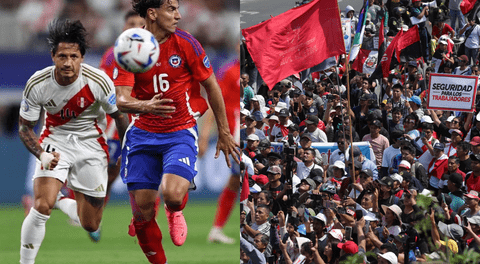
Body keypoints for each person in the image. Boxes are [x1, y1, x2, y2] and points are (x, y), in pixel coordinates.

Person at [113, 1, 240, 263]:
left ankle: (175, 210)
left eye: (177, 8)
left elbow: (211, 86)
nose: (178, 15)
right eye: (171, 8)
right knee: (142, 213)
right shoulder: (130, 46)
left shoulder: (186, 43)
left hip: (179, 131)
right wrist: (145, 106)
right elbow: (121, 99)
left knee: (172, 194)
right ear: (152, 13)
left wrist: (224, 133)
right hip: (141, 134)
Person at [18, 20, 129, 264]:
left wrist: (128, 151)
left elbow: (119, 119)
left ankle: (59, 199)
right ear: (52, 56)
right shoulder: (37, 83)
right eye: (62, 56)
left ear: (82, 57)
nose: (68, 62)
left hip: (92, 145)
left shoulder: (98, 81)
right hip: (55, 141)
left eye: (73, 56)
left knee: (90, 223)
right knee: (41, 207)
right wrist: (42, 154)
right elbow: (25, 128)